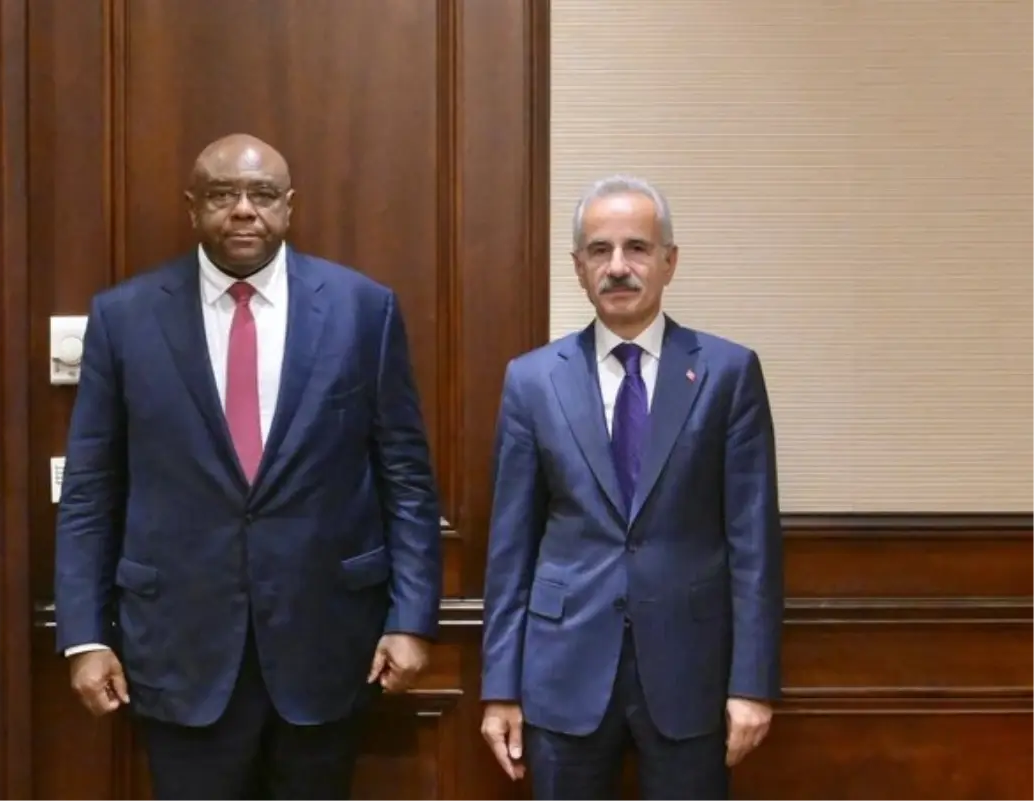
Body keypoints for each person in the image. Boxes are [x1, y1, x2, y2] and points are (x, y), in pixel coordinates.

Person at [54, 133, 443, 801]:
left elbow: (405, 479)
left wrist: (411, 618)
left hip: (328, 643)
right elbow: (91, 490)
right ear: (192, 207)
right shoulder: (124, 318)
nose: (242, 209)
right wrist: (84, 636)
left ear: (289, 206)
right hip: (178, 649)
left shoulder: (361, 309)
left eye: (261, 194)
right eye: (221, 194)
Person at [479, 175, 783, 801]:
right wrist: (500, 688)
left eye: (637, 248)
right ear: (578, 267)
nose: (618, 267)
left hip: (690, 674)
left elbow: (754, 545)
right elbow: (510, 548)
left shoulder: (728, 374)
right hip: (562, 673)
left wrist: (752, 684)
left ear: (670, 261)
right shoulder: (532, 381)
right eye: (600, 250)